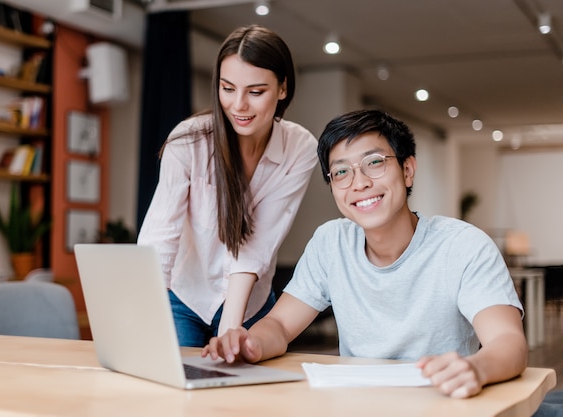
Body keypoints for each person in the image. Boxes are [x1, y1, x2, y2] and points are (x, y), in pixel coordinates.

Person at [202, 109, 528, 399]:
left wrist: (477, 369)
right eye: (341, 172)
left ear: (408, 169)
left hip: (440, 402)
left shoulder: (462, 246)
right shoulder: (331, 242)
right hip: (357, 404)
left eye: (374, 163)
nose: (358, 183)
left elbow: (507, 341)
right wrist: (250, 344)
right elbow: (280, 326)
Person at [137, 25, 317, 347]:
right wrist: (145, 317)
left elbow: (257, 244)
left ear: (282, 89)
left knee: (241, 390)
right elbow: (160, 236)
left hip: (250, 305)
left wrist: (230, 331)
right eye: (228, 88)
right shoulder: (188, 141)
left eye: (256, 92)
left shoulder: (299, 148)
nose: (238, 105)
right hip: (185, 298)